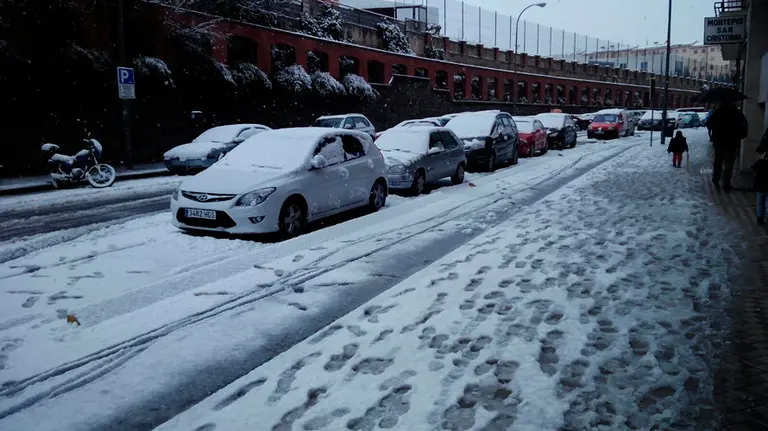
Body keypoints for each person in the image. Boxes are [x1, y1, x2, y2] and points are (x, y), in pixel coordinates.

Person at [706, 101, 748, 190]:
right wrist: (742, 135)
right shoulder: (737, 113)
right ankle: (726, 182)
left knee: (718, 161)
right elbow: (744, 124)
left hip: (719, 141)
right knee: (729, 163)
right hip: (732, 141)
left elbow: (709, 124)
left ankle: (716, 179)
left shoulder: (718, 112)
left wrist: (713, 134)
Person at [752, 152, 768, 224]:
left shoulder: (760, 162)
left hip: (759, 186)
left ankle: (760, 218)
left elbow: (753, 168)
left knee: (760, 203)